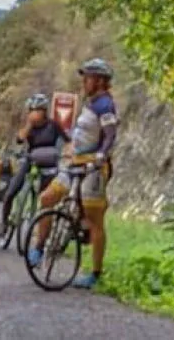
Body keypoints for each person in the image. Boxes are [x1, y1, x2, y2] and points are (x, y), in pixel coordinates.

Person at [28, 58, 118, 289]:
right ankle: (38, 248)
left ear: (99, 81)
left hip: (93, 167)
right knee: (47, 198)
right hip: (74, 162)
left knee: (95, 220)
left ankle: (95, 274)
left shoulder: (105, 105)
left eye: (87, 77)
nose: (84, 82)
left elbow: (109, 135)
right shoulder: (90, 102)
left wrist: (100, 156)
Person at [0, 93, 68, 240]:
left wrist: (65, 154)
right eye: (31, 110)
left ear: (44, 111)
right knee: (11, 191)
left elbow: (67, 141)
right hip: (30, 159)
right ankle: (4, 223)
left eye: (36, 110)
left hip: (49, 163)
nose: (33, 113)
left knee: (46, 197)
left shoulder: (53, 125)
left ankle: (40, 231)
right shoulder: (29, 126)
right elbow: (19, 140)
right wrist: (29, 125)